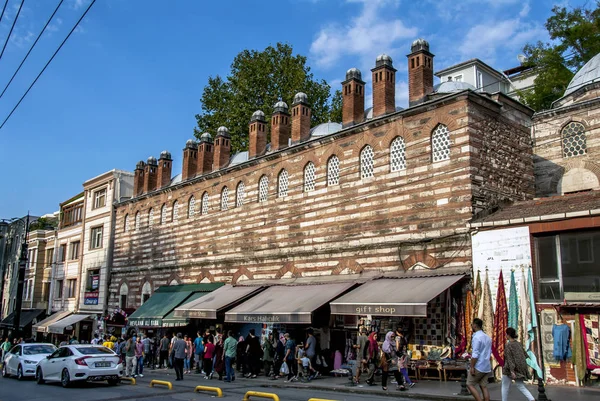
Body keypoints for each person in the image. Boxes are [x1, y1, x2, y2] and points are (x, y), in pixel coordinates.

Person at [502, 327, 535, 401]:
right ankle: (532, 399)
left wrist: (512, 370)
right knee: (520, 385)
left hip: (509, 369)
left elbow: (509, 358)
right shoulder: (518, 344)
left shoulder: (508, 345)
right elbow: (524, 354)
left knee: (505, 386)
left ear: (508, 335)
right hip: (520, 367)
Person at [467, 318, 492, 401]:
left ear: (475, 325)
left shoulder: (477, 337)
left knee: (469, 384)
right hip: (487, 366)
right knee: (483, 386)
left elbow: (475, 354)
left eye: (472, 324)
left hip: (479, 365)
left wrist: (472, 366)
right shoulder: (487, 337)